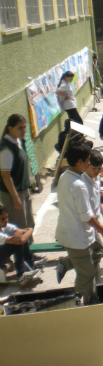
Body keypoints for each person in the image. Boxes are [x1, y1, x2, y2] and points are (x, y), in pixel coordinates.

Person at [56, 144, 103, 304]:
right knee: (86, 273)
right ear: (80, 161)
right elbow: (86, 216)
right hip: (77, 237)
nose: (88, 164)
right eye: (87, 161)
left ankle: (90, 296)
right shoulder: (79, 185)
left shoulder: (65, 176)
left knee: (99, 252)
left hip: (75, 233)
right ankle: (78, 303)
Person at [0, 114, 42, 266]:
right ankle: (22, 261)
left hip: (24, 190)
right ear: (10, 128)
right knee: (18, 229)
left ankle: (29, 253)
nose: (24, 130)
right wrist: (15, 197)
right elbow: (5, 176)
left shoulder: (17, 142)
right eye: (20, 128)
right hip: (14, 194)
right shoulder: (6, 148)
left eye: (24, 127)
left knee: (29, 224)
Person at [0, 204, 39, 284]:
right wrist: (25, 231)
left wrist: (21, 232)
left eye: (7, 217)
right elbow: (20, 240)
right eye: (3, 219)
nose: (6, 220)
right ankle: (21, 274)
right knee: (16, 242)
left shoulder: (4, 226)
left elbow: (23, 231)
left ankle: (31, 263)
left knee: (18, 239)